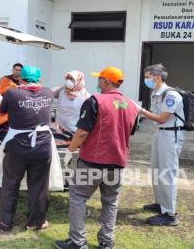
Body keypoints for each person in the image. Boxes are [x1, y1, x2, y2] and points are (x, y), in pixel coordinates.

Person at [55, 67, 139, 249]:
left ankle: (78, 241)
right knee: (110, 202)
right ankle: (106, 242)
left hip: (93, 161)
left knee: (77, 197)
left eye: (100, 78)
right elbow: (130, 131)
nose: (98, 81)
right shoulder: (131, 105)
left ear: (106, 81)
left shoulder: (95, 101)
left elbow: (82, 132)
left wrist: (70, 151)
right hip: (117, 163)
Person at [0, 65, 54, 232]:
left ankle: (5, 222)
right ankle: (36, 222)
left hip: (17, 147)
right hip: (42, 147)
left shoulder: (12, 93)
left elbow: (0, 113)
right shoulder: (48, 93)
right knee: (39, 185)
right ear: (39, 79)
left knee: (10, 183)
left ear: (20, 79)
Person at [136, 63, 185, 226]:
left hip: (171, 134)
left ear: (157, 77)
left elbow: (161, 118)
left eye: (147, 77)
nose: (146, 80)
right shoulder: (156, 93)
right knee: (157, 169)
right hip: (160, 132)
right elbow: (156, 116)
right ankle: (161, 204)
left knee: (167, 172)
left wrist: (141, 111)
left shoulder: (171, 95)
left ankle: (170, 214)